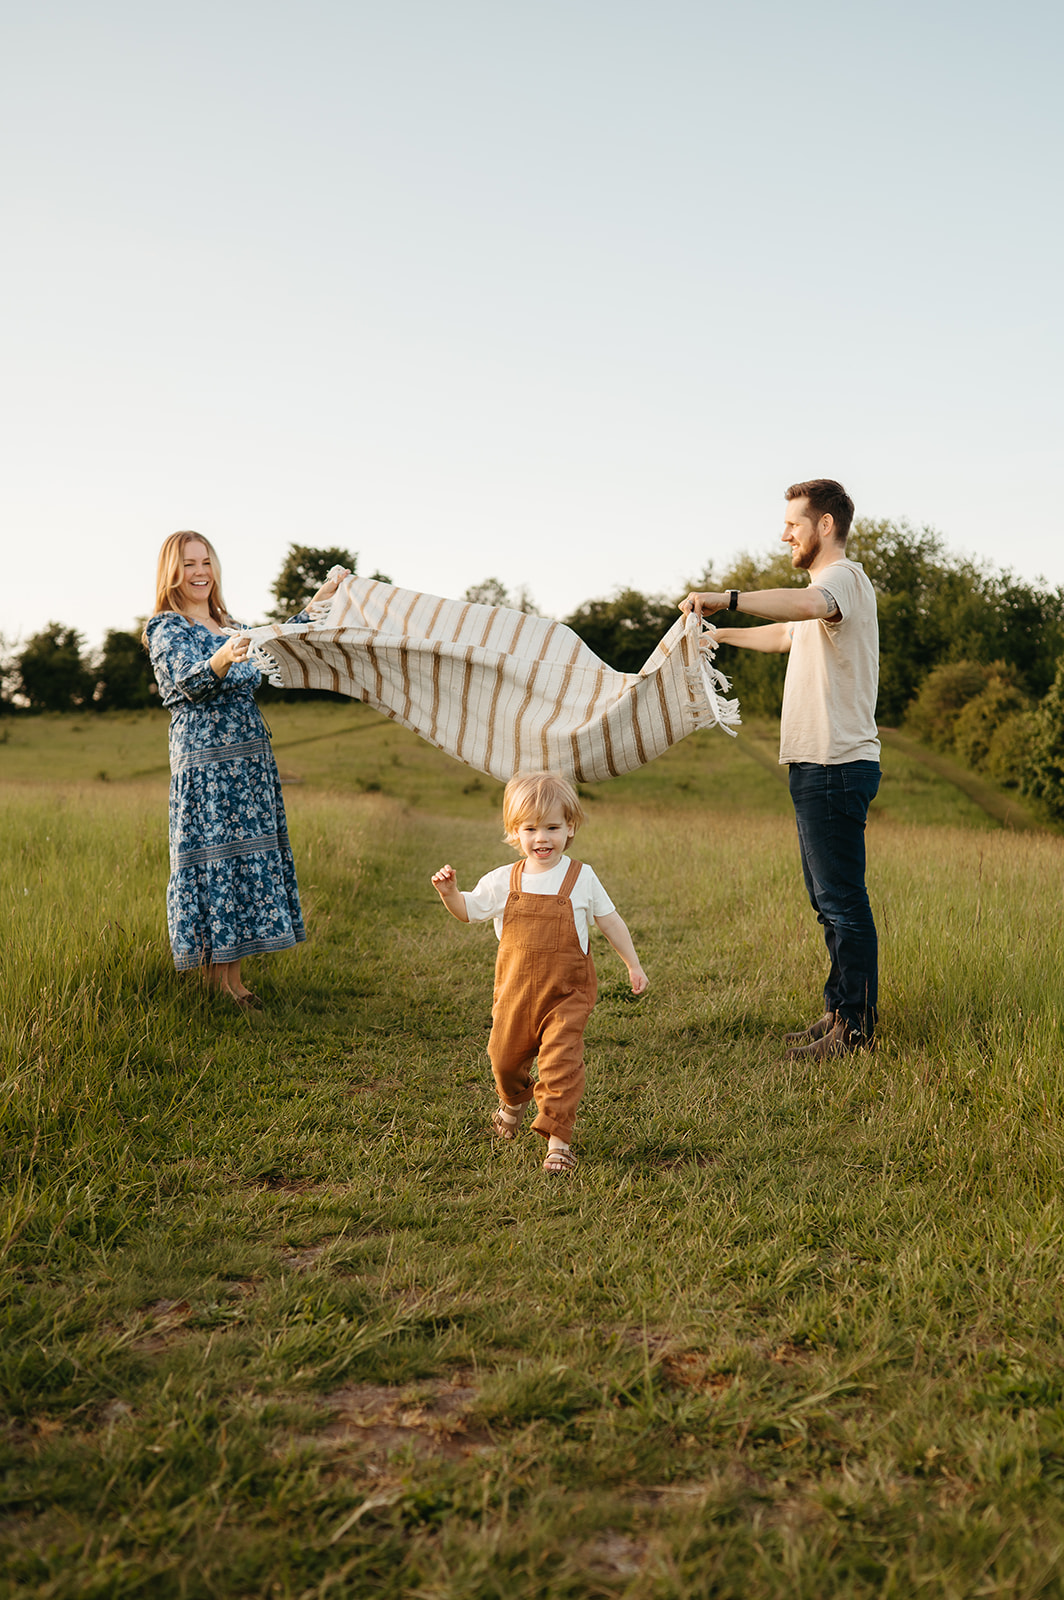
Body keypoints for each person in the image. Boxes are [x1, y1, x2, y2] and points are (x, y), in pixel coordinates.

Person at [681, 479, 880, 1058]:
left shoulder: (842, 579)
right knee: (826, 900)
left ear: (825, 525)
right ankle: (839, 1012)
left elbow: (805, 607)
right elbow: (785, 634)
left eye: (794, 523)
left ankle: (856, 1030)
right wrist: (719, 634)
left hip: (835, 764)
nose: (784, 534)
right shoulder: (823, 591)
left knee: (842, 902)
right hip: (816, 764)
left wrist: (727, 596)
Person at [144, 532, 348, 1005]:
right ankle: (217, 985)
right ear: (172, 572)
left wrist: (322, 599)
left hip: (249, 763)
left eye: (206, 562)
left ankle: (233, 981)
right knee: (216, 861)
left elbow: (280, 641)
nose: (200, 572)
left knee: (241, 862)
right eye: (188, 564)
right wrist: (220, 657)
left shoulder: (231, 624)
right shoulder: (166, 627)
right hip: (208, 767)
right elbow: (186, 684)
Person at [431, 771, 648, 1175]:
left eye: (552, 827)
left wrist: (632, 964)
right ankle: (513, 1101)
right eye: (530, 829)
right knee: (503, 1059)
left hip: (567, 995)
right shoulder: (503, 880)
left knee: (560, 1066)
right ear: (515, 832)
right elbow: (468, 911)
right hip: (514, 995)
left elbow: (610, 921)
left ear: (570, 827)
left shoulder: (581, 877)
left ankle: (558, 1142)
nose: (542, 838)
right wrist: (450, 894)